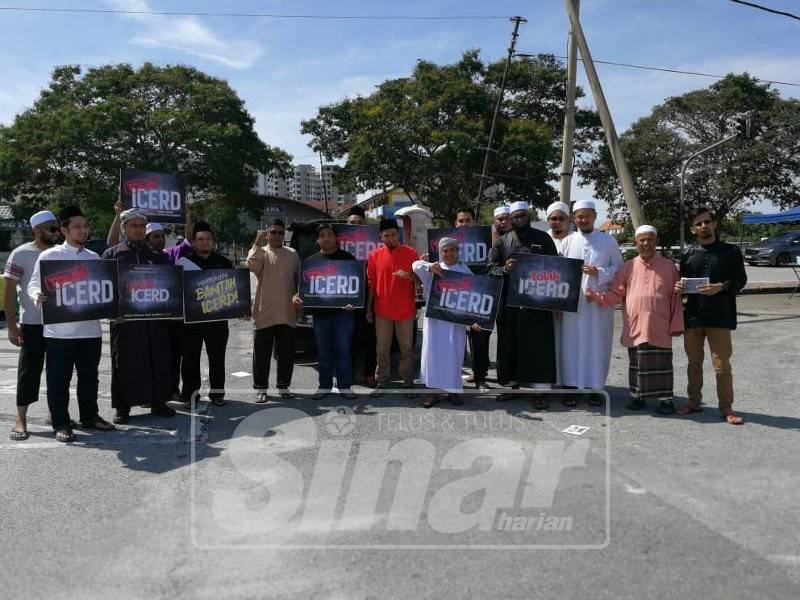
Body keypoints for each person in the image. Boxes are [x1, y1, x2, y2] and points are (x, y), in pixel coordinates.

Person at [27, 206, 115, 442]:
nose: (83, 230)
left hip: (90, 331)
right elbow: (33, 285)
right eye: (77, 226)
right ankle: (61, 423)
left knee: (89, 376)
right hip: (59, 333)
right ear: (64, 230)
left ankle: (90, 416)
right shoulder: (49, 257)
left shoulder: (94, 258)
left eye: (85, 226)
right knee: (58, 379)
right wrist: (38, 296)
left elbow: (103, 292)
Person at [586, 225, 684, 414]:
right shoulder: (627, 267)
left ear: (656, 242)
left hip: (660, 325)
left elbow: (676, 299)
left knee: (661, 363)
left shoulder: (669, 267)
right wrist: (598, 297)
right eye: (642, 240)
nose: (646, 244)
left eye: (650, 240)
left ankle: (665, 400)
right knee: (637, 362)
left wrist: (676, 325)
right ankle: (637, 397)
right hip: (635, 324)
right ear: (636, 242)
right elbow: (616, 293)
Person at [674, 207, 747, 425]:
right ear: (693, 230)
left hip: (720, 317)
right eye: (699, 223)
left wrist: (721, 286)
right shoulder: (687, 254)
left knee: (722, 365)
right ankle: (694, 402)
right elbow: (682, 284)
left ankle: (727, 408)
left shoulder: (731, 251)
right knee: (693, 363)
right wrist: (679, 287)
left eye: (707, 222)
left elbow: (740, 281)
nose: (703, 226)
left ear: (714, 224)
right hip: (693, 318)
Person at [102, 209, 176, 424]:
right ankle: (123, 407)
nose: (138, 229)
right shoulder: (112, 255)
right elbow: (105, 289)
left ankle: (159, 402)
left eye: (142, 226)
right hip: (124, 321)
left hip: (155, 318)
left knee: (158, 358)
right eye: (133, 225)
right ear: (124, 227)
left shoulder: (158, 256)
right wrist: (113, 313)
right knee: (124, 362)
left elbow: (169, 286)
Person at [487, 201, 559, 409]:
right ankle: (511, 387)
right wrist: (505, 270)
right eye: (515, 216)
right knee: (509, 345)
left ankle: (540, 392)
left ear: (529, 216)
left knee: (539, 347)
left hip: (538, 304)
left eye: (523, 216)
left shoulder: (543, 238)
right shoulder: (502, 242)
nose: (520, 219)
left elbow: (557, 269)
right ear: (510, 219)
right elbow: (490, 268)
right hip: (509, 304)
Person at [558, 200, 623, 406]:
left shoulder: (608, 242)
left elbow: (620, 269)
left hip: (598, 305)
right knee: (571, 343)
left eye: (587, 215)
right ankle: (571, 387)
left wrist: (599, 272)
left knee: (597, 344)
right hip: (573, 305)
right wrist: (559, 304)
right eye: (579, 216)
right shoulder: (567, 241)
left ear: (595, 216)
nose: (583, 219)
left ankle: (595, 387)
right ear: (573, 219)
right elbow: (559, 273)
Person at [5, 210, 61, 440]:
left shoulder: (62, 253)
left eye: (58, 228)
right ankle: (21, 419)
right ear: (37, 230)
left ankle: (55, 414)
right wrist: (11, 326)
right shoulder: (21, 254)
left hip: (60, 324)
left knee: (59, 372)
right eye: (52, 228)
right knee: (29, 372)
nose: (57, 232)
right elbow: (8, 293)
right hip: (32, 323)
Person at [413, 238, 481, 408]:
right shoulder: (434, 267)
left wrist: (474, 320)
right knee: (432, 356)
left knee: (454, 356)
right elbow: (414, 265)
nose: (449, 253)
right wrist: (429, 266)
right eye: (445, 250)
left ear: (458, 251)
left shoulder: (464, 270)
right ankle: (431, 392)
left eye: (452, 250)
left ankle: (453, 392)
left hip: (454, 323)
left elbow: (474, 296)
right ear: (440, 253)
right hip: (435, 321)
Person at [293, 223, 357, 399]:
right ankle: (324, 386)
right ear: (317, 240)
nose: (326, 238)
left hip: (344, 314)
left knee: (344, 349)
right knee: (323, 351)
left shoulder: (348, 258)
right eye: (322, 235)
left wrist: (355, 303)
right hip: (320, 315)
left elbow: (356, 287)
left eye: (329, 234)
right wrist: (297, 297)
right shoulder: (311, 261)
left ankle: (345, 385)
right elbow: (304, 288)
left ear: (336, 238)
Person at [177, 222, 233, 406]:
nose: (205, 242)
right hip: (191, 321)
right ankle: (189, 395)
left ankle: (217, 394)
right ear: (193, 241)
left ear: (213, 242)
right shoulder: (183, 262)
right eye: (200, 239)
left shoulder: (224, 263)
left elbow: (233, 291)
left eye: (208, 239)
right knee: (190, 359)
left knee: (217, 358)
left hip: (216, 320)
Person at [247, 219, 300, 402]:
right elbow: (251, 265)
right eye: (273, 232)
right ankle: (261, 388)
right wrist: (256, 242)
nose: (277, 235)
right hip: (265, 311)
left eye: (280, 232)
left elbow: (300, 280)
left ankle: (283, 386)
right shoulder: (260, 252)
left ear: (284, 235)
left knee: (286, 353)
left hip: (287, 311)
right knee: (261, 354)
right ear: (267, 234)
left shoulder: (292, 254)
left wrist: (299, 296)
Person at [366, 218, 419, 395]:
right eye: (386, 235)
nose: (390, 238)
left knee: (407, 348)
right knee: (382, 348)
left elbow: (420, 281)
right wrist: (368, 308)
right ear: (380, 237)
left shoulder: (411, 253)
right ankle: (382, 379)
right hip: (382, 310)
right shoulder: (375, 255)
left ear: (399, 234)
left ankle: (408, 380)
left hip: (405, 310)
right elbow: (371, 284)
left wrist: (409, 276)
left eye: (393, 234)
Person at [454, 206, 491, 390]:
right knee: (454, 339)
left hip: (478, 295)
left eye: (467, 220)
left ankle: (480, 377)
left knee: (479, 340)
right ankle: (451, 375)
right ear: (455, 223)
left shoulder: (485, 241)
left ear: (474, 222)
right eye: (461, 220)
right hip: (453, 298)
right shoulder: (446, 243)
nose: (464, 224)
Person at [346, 205, 377, 386]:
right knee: (346, 339)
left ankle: (369, 374)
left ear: (365, 224)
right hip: (346, 297)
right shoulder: (338, 241)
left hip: (369, 297)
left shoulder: (375, 243)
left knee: (370, 338)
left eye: (359, 222)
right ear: (346, 224)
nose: (355, 225)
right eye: (352, 223)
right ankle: (347, 374)